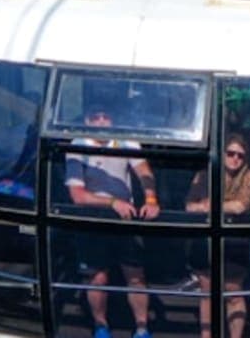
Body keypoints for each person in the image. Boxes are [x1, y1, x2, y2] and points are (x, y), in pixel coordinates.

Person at [66, 106, 159, 338]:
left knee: (136, 275)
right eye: (95, 117)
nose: (100, 122)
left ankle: (141, 328)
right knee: (98, 276)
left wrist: (150, 199)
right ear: (87, 121)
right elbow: (77, 195)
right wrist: (112, 203)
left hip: (125, 217)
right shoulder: (76, 146)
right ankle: (101, 326)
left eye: (105, 116)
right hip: (93, 218)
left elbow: (144, 172)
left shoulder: (125, 141)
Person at [186, 133, 250, 338]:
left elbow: (240, 206)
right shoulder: (205, 174)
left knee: (234, 293)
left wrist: (208, 205)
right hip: (206, 239)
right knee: (207, 293)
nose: (235, 158)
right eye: (230, 153)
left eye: (240, 155)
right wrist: (214, 207)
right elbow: (190, 206)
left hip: (235, 240)